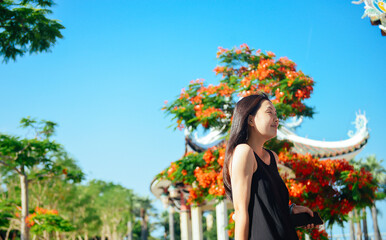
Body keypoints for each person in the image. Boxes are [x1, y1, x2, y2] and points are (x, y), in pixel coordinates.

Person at [223, 93, 314, 240]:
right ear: (251, 120)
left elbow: (268, 206)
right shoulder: (243, 152)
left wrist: (291, 211)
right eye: (269, 112)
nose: (276, 119)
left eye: (276, 114)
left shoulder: (272, 157)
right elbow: (240, 212)